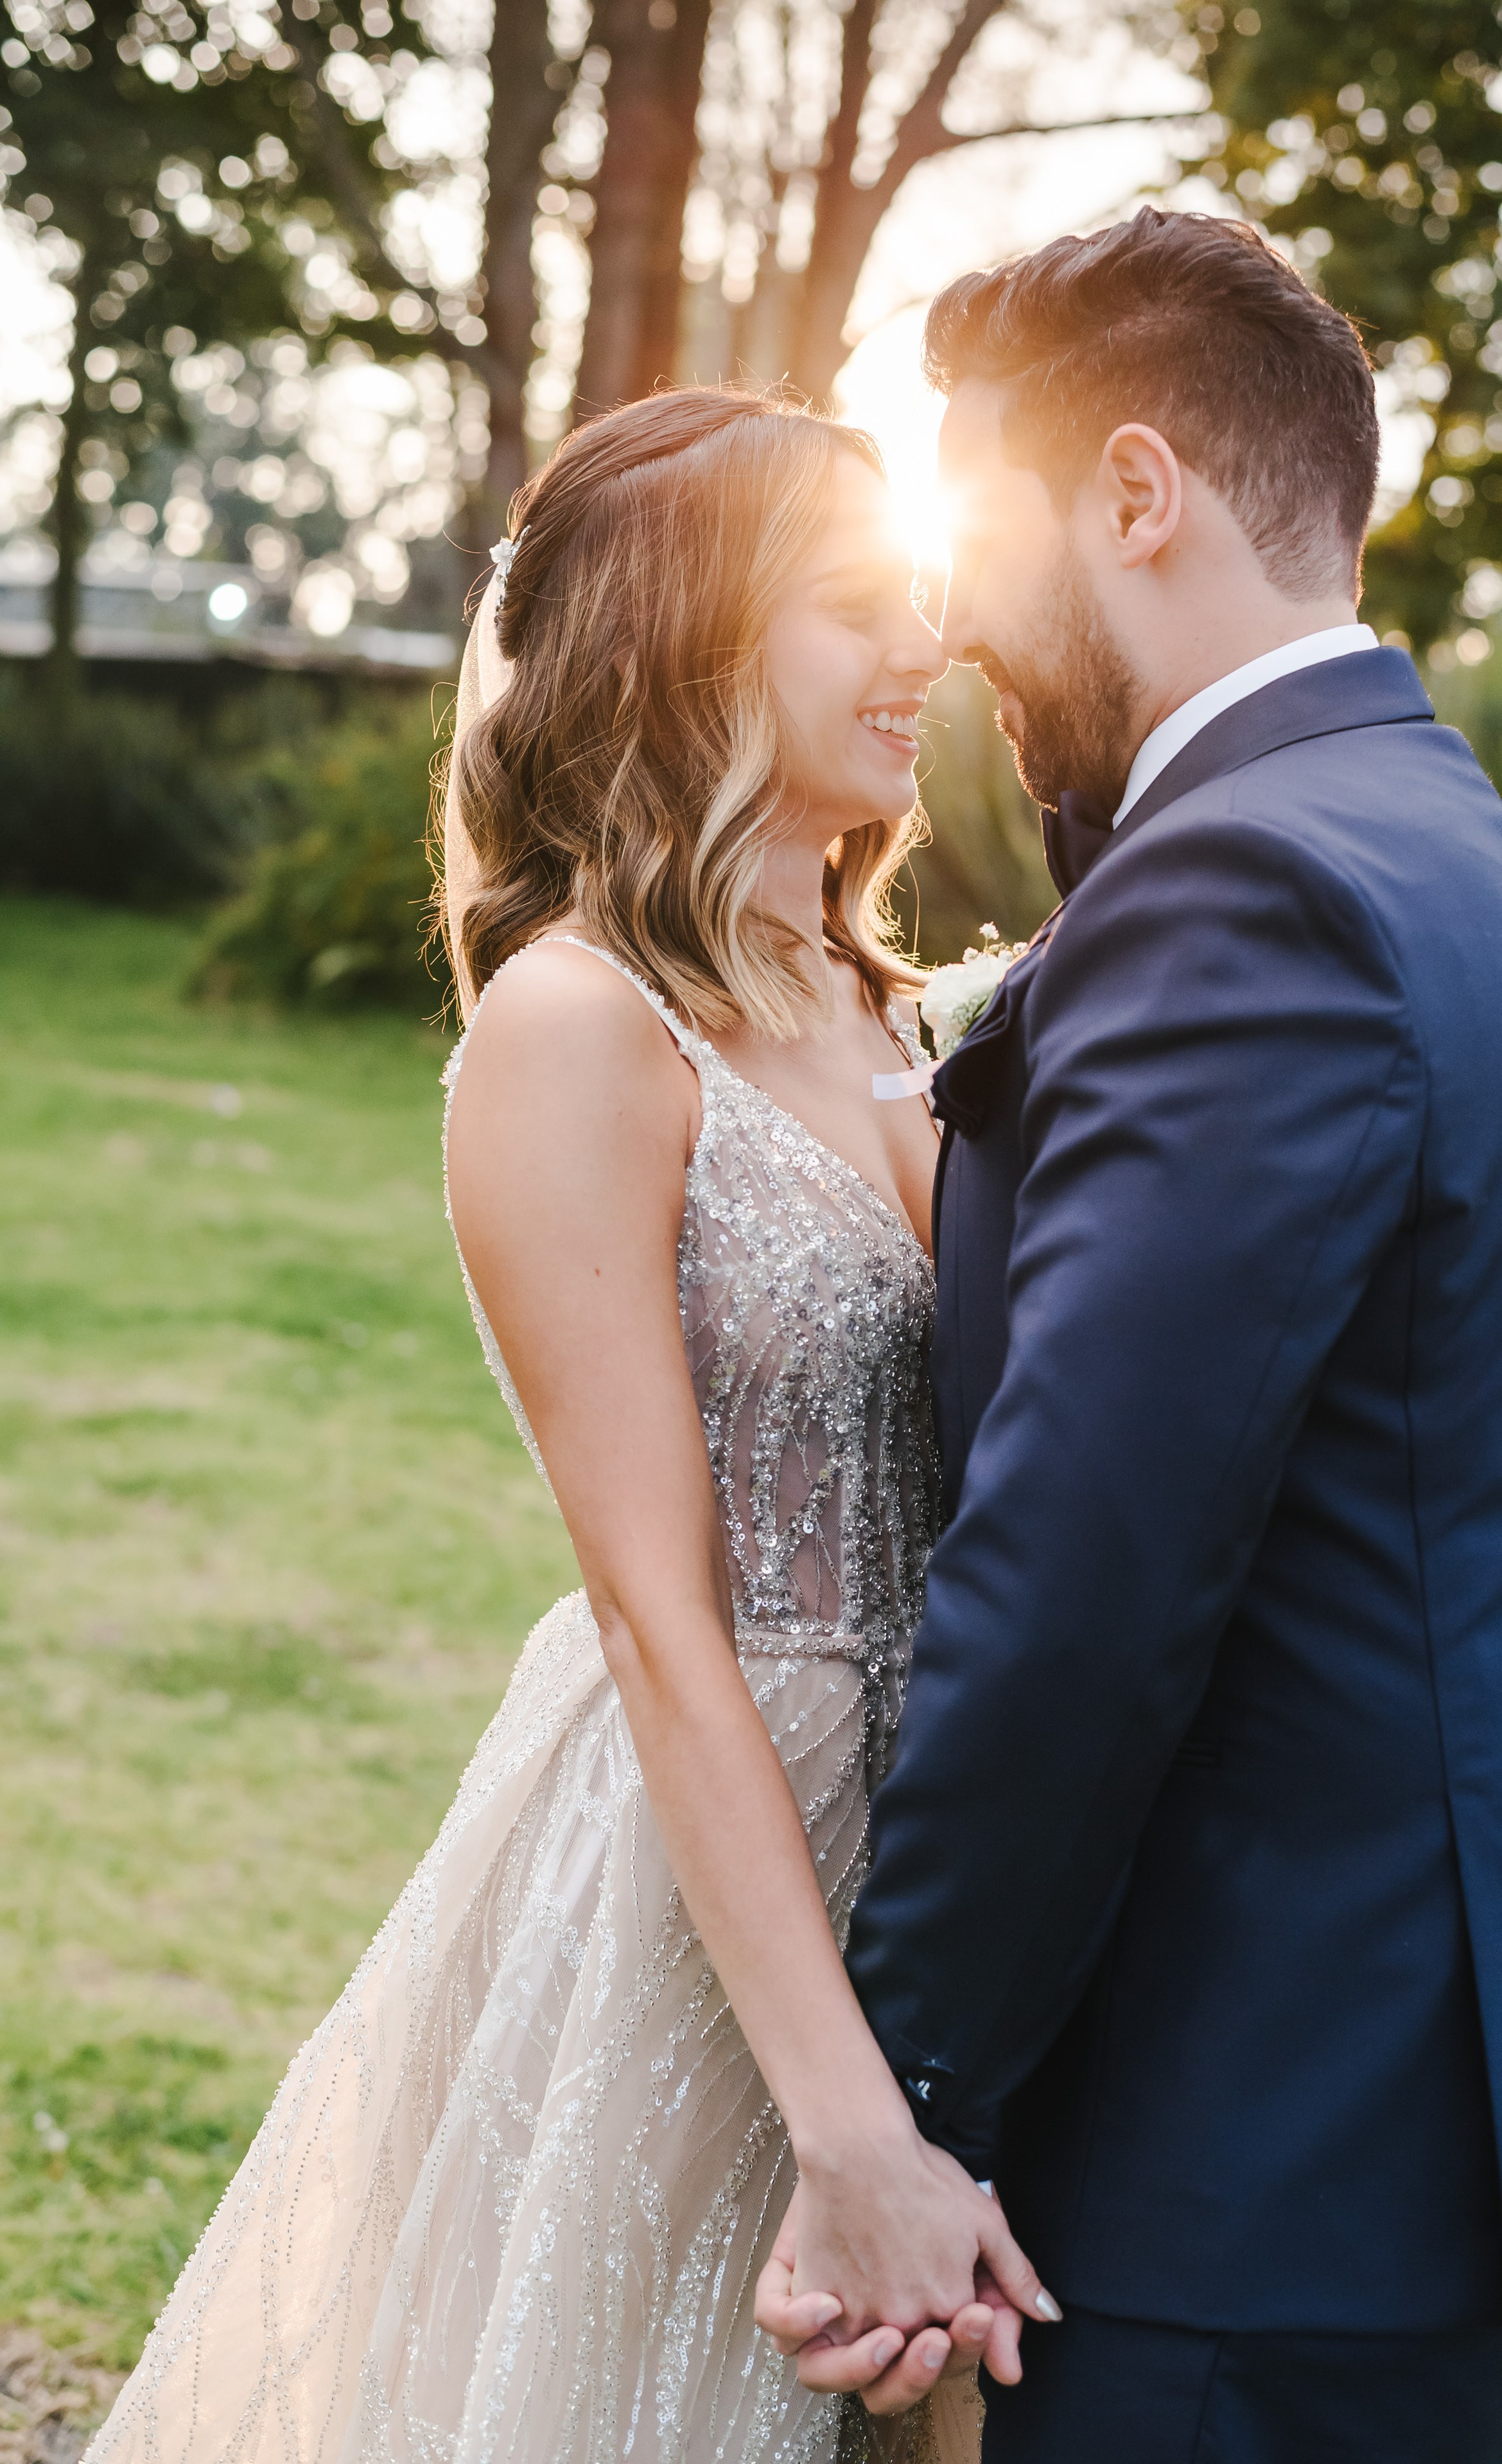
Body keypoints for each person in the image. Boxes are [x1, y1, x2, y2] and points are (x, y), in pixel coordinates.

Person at [756, 209, 1502, 2463]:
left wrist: (904, 2100)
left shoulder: (1248, 886)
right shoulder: (1438, 833)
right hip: (1422, 2094)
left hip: (1252, 2133)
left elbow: (1089, 1568)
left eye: (984, 525)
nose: (952, 621)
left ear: (1138, 496)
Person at [81, 389, 1045, 2464]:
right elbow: (652, 1613)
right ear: (690, 641)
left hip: (954, 1813)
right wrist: (846, 2119)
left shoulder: (890, 1011)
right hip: (714, 1869)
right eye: (856, 607)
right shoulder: (577, 1022)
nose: (927, 651)